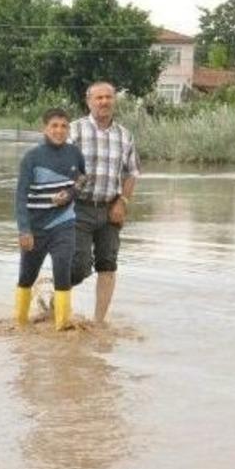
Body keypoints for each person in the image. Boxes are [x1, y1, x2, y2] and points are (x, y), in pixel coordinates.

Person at [69, 81, 140, 323]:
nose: (104, 102)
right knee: (79, 266)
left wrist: (123, 202)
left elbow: (132, 173)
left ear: (114, 101)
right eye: (99, 98)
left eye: (108, 97)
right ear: (88, 102)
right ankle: (56, 298)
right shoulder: (74, 130)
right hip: (78, 208)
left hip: (110, 209)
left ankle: (99, 323)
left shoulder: (125, 135)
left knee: (108, 264)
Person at [14, 107, 86, 330]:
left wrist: (70, 194)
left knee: (62, 270)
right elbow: (20, 196)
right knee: (27, 276)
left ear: (68, 129)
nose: (59, 130)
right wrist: (24, 230)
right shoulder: (32, 158)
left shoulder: (74, 153)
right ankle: (20, 325)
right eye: (54, 126)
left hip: (64, 224)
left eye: (64, 126)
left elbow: (82, 179)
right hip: (36, 228)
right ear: (44, 128)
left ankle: (62, 327)